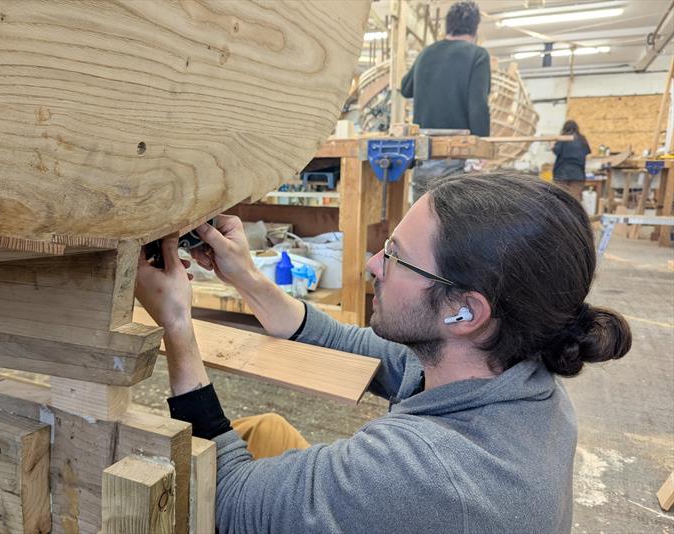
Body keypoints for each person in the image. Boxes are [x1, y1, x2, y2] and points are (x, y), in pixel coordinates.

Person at [134, 174, 631, 533]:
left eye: (396, 257)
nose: (374, 263)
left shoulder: (420, 472)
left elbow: (228, 500)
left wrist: (177, 323)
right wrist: (245, 275)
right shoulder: (514, 374)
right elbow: (347, 344)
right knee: (265, 431)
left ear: (465, 311)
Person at [400, 1, 491, 200]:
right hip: (456, 151)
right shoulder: (478, 55)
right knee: (452, 214)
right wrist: (481, 147)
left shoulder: (427, 53)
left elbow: (405, 88)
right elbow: (478, 104)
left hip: (424, 150)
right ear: (475, 29)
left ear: (447, 26)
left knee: (422, 209)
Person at [553, 120, 592, 201]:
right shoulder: (582, 139)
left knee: (561, 200)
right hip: (578, 174)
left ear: (564, 128)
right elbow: (587, 151)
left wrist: (552, 146)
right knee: (575, 200)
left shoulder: (563, 138)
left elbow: (556, 151)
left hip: (562, 173)